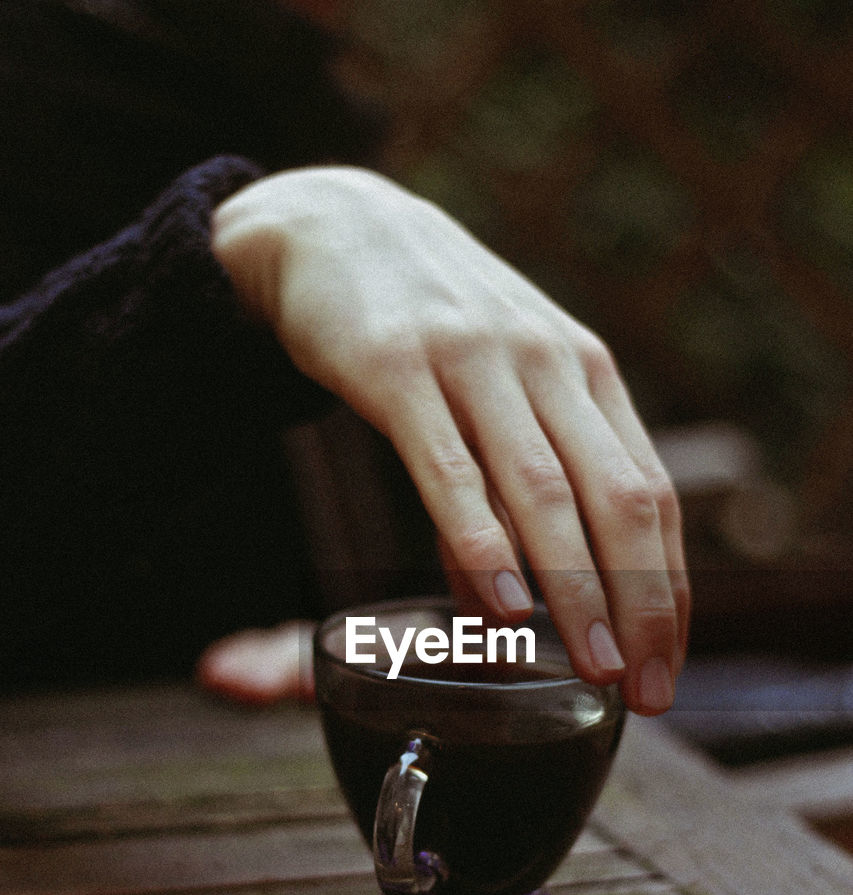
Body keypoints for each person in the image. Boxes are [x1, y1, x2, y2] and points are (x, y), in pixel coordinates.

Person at [0, 0, 688, 715]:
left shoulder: (288, 95)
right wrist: (218, 266)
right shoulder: (48, 94)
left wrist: (398, 634)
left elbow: (396, 581)